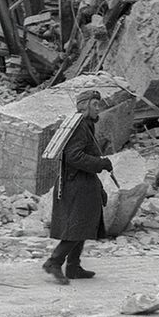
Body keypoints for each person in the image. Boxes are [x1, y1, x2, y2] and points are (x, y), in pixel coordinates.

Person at [41, 90, 113, 285]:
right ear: (84, 105)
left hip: (81, 183)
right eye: (95, 104)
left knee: (83, 226)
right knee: (77, 227)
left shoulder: (83, 125)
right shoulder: (80, 126)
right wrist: (101, 164)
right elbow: (74, 156)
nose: (98, 108)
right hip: (76, 184)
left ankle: (74, 267)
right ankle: (54, 262)